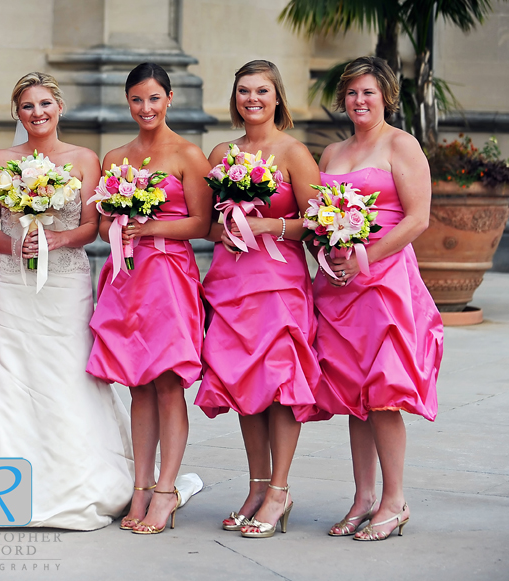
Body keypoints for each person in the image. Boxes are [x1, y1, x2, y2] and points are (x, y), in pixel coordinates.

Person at [0, 72, 135, 530]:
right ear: (17, 113)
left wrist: (58, 238)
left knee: (66, 370)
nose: (38, 113)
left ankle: (74, 481)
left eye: (45, 103)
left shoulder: (85, 159)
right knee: (9, 374)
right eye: (28, 106)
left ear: (60, 107)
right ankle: (1, 485)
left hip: (66, 281)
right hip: (12, 281)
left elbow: (93, 227)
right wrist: (15, 246)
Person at [313, 56, 443, 541]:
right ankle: (363, 497)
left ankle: (395, 499)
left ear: (386, 95)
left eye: (367, 92)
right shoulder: (332, 153)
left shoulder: (401, 145)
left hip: (384, 282)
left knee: (383, 393)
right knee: (355, 394)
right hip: (339, 285)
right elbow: (317, 217)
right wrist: (323, 247)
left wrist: (364, 255)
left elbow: (417, 219)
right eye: (351, 93)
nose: (359, 101)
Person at [195, 60, 322, 538]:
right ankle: (256, 485)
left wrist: (273, 225)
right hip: (232, 280)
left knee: (281, 382)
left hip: (279, 281)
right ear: (236, 99)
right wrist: (223, 231)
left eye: (262, 91)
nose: (252, 99)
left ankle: (280, 491)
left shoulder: (294, 152)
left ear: (277, 98)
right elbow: (208, 222)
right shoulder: (222, 151)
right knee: (245, 382)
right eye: (244, 91)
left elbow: (318, 221)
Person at [86, 62, 212, 535]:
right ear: (128, 101)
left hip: (170, 277)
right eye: (137, 100)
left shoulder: (188, 154)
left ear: (170, 98)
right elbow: (101, 223)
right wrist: (120, 222)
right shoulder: (115, 156)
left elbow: (201, 224)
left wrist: (149, 225)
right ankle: (139, 486)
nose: (146, 108)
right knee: (137, 382)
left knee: (166, 383)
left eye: (154, 99)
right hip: (127, 276)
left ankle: (165, 489)